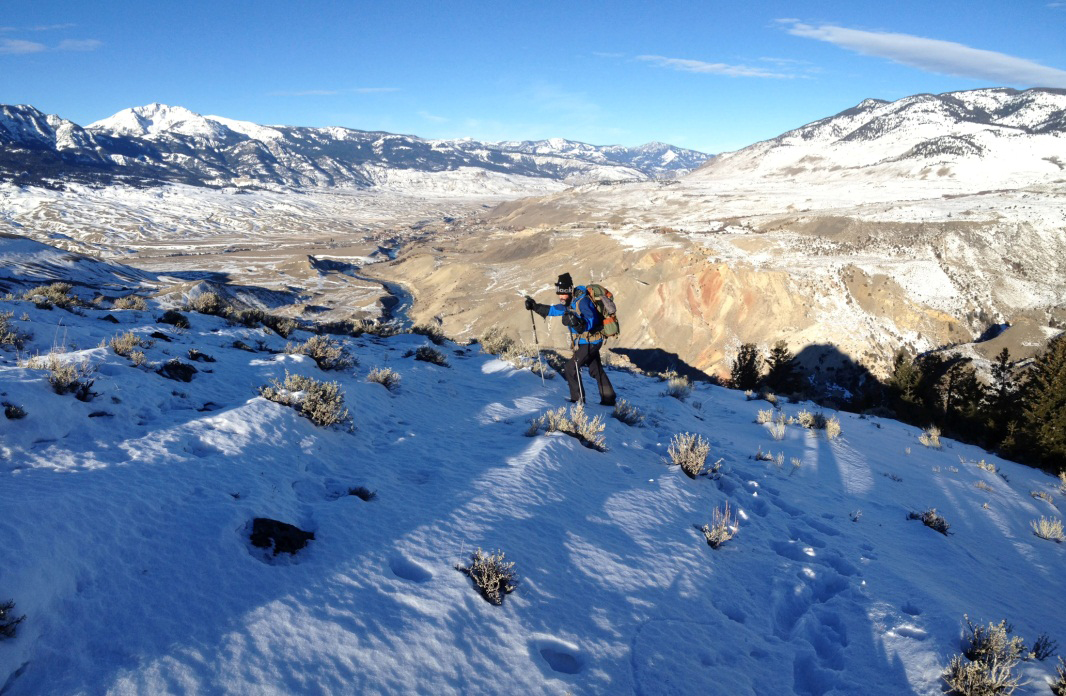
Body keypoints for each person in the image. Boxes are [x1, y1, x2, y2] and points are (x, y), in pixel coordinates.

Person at [525, 272, 616, 406]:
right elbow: (553, 310)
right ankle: (609, 399)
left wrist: (578, 323)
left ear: (569, 290)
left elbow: (591, 320)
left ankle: (577, 400)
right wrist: (535, 306)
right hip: (587, 341)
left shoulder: (582, 301)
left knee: (570, 367)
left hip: (592, 341)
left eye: (563, 294)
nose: (561, 297)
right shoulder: (570, 302)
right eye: (559, 294)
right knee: (595, 370)